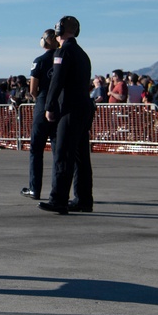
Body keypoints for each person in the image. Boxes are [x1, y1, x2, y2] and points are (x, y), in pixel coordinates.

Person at [39, 15, 94, 215]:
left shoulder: (64, 52)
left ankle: (58, 199)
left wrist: (50, 105)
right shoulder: (81, 53)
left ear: (60, 30)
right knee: (81, 157)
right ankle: (83, 199)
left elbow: (57, 81)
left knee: (63, 153)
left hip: (69, 108)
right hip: (83, 108)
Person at [21, 29, 59, 201]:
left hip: (43, 104)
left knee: (36, 148)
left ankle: (34, 188)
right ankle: (58, 190)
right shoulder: (62, 60)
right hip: (59, 106)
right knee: (59, 151)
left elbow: (33, 89)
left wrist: (40, 100)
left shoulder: (40, 61)